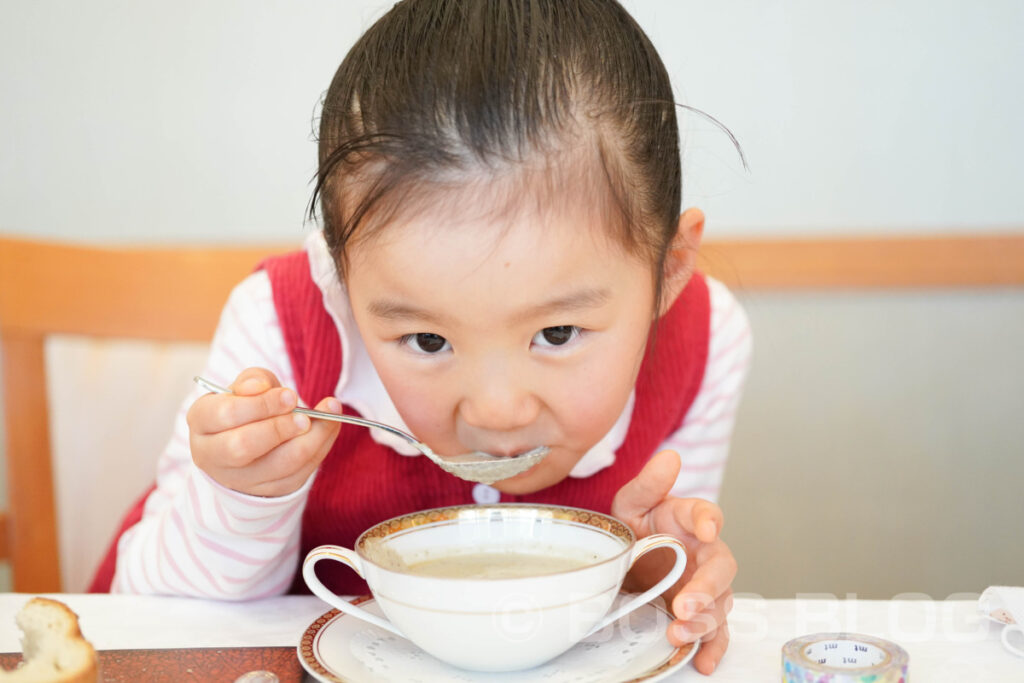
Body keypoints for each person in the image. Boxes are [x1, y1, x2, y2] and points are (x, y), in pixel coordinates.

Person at [92, 0, 751, 674]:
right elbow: (146, 620)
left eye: (556, 332)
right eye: (428, 342)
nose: (495, 411)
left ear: (667, 269)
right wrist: (246, 497)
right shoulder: (280, 324)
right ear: (344, 285)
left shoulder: (704, 341)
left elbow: (646, 605)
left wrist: (652, 573)